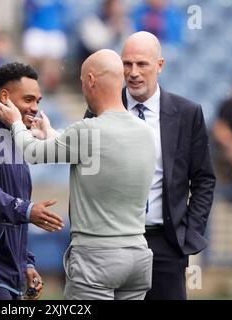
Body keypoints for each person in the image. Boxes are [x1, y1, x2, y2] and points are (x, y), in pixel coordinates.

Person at [0, 49, 157, 300]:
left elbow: (33, 153)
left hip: (97, 258)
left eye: (81, 81)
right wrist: (51, 134)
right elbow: (96, 153)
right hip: (138, 255)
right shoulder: (144, 131)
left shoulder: (88, 130)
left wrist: (15, 121)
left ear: (91, 80)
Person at [85, 32, 215, 299]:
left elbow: (203, 179)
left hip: (165, 244)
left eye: (141, 64)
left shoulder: (187, 113)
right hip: (112, 243)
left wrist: (189, 233)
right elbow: (87, 176)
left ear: (160, 65)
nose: (133, 73)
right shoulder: (98, 110)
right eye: (127, 64)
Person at [0, 62, 65, 300]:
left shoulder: (16, 141)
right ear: (4, 96)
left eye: (38, 101)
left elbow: (13, 213)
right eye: (28, 100)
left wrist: (25, 262)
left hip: (5, 276)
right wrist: (27, 210)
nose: (35, 108)